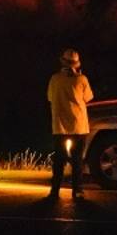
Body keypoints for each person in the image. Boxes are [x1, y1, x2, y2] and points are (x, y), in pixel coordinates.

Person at [46, 48, 94, 200]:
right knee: (77, 159)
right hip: (78, 125)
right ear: (77, 64)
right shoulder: (82, 79)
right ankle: (77, 190)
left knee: (59, 160)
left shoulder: (55, 79)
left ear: (62, 62)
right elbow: (88, 98)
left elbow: (50, 98)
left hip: (59, 125)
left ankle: (55, 190)